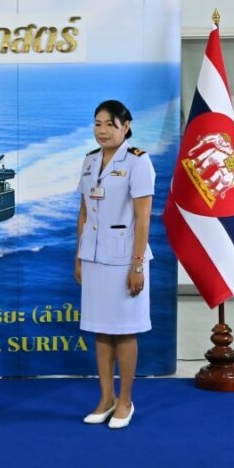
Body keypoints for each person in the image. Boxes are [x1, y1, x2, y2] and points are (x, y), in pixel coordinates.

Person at [75, 100, 155, 429]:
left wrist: (137, 265)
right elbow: (84, 211)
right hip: (94, 257)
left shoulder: (138, 161)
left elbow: (143, 216)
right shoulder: (89, 160)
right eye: (98, 124)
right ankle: (106, 397)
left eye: (110, 124)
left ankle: (125, 400)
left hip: (124, 259)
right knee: (101, 329)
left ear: (126, 126)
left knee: (124, 331)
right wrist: (79, 256)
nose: (102, 130)